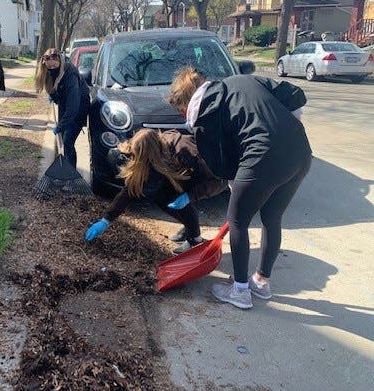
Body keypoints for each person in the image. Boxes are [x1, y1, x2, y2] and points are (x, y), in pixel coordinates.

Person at [168, 66, 312, 309]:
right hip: (300, 154)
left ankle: (240, 290)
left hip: (261, 157)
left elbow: (220, 167)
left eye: (181, 111)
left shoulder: (204, 116)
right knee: (271, 217)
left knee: (237, 221)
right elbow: (295, 94)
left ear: (186, 103)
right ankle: (261, 282)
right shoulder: (243, 80)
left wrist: (237, 182)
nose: (184, 116)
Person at [85, 128, 227, 254]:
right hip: (176, 171)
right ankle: (189, 229)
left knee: (178, 201)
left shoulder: (185, 152)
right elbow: (130, 190)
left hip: (211, 175)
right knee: (160, 195)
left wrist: (190, 196)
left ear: (150, 155)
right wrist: (106, 219)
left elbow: (218, 181)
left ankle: (195, 240)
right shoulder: (150, 154)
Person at [35, 47, 89, 168]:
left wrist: (60, 126)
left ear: (60, 61)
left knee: (67, 142)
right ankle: (65, 170)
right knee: (64, 141)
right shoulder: (49, 72)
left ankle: (71, 175)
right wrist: (54, 96)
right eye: (49, 67)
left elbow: (73, 107)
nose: (52, 69)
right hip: (66, 106)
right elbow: (60, 95)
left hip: (79, 108)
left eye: (54, 66)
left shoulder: (70, 75)